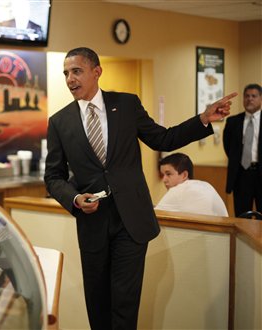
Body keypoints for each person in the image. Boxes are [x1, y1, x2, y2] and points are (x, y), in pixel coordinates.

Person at [44, 47, 236, 329]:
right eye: (66, 74)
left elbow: (164, 139)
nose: (70, 79)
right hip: (93, 224)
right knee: (98, 303)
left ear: (96, 71)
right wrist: (73, 198)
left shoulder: (126, 105)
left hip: (131, 222)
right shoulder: (59, 122)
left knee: (125, 302)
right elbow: (53, 176)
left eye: (76, 71)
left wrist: (203, 119)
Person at [223, 83, 262, 217]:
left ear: (260, 99)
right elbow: (228, 147)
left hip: (260, 173)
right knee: (242, 216)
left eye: (254, 96)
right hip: (241, 175)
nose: (250, 99)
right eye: (247, 96)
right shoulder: (233, 122)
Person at [155, 153, 228, 216]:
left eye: (168, 174)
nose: (164, 180)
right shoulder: (206, 185)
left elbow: (154, 218)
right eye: (163, 175)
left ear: (184, 175)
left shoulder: (177, 191)